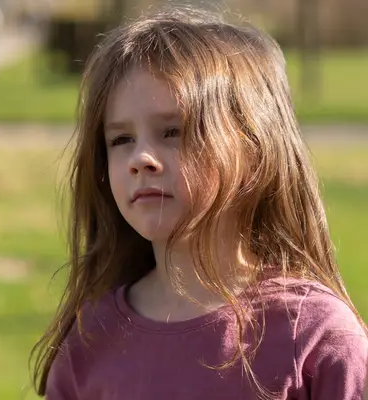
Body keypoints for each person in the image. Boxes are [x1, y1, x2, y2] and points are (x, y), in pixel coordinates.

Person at [30, 5, 368, 399]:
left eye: (172, 131)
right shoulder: (90, 341)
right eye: (121, 139)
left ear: (255, 149)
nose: (141, 158)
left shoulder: (316, 337)